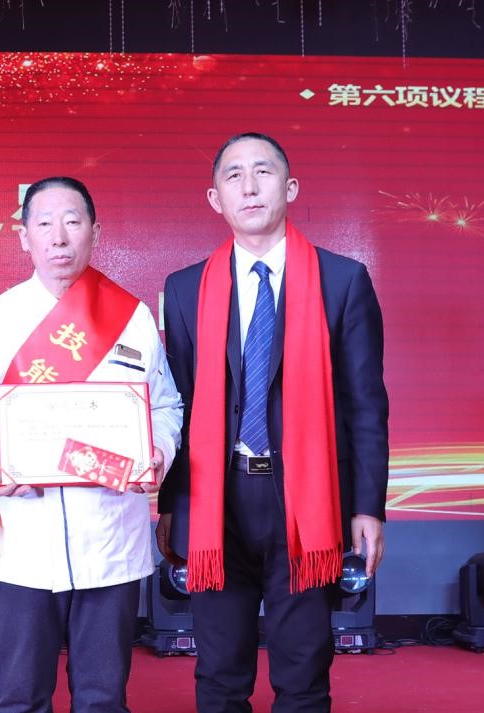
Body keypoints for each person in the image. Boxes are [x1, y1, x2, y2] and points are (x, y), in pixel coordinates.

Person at [157, 132, 389, 712]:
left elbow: (366, 403)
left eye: (263, 172)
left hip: (309, 500)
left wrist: (368, 506)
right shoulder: (184, 289)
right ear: (215, 199)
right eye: (233, 176)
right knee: (218, 675)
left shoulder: (343, 280)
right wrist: (170, 504)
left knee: (304, 675)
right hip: (215, 498)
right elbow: (177, 405)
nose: (249, 186)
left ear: (290, 188)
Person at [0, 177, 183, 713]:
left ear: (94, 232)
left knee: (102, 698)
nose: (58, 237)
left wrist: (158, 450)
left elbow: (166, 406)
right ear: (24, 236)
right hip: (21, 539)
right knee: (20, 698)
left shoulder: (131, 317)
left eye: (72, 222)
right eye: (44, 223)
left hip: (109, 536)